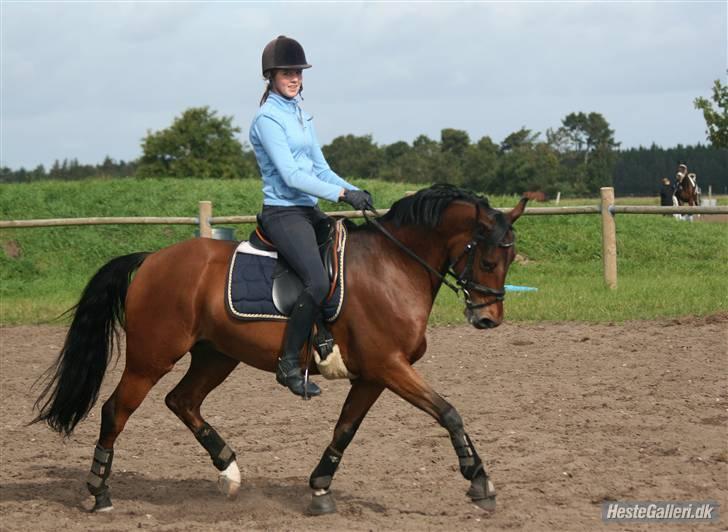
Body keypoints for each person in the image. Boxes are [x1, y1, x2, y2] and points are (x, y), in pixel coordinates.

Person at [249, 36, 372, 398]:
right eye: (287, 73)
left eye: (298, 73)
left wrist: (354, 191)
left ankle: (331, 337)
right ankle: (288, 362)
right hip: (283, 213)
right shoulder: (268, 119)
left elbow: (320, 168)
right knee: (317, 282)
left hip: (308, 210)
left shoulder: (300, 114)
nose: (295, 79)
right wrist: (341, 194)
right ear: (271, 76)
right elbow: (291, 176)